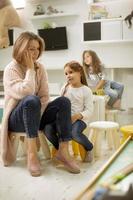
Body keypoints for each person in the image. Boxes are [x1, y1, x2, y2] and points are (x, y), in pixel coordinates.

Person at [0, 31, 80, 176]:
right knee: (31, 99)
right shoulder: (11, 69)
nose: (35, 52)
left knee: (63, 101)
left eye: (37, 49)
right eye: (31, 49)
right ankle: (32, 154)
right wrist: (30, 69)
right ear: (21, 48)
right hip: (16, 119)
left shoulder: (40, 68)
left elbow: (44, 96)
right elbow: (26, 92)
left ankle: (63, 151)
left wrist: (38, 114)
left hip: (36, 115)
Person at [45, 61, 94, 162]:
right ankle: (61, 150)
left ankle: (89, 147)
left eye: (71, 72)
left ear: (80, 72)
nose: (68, 75)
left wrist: (76, 116)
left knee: (74, 133)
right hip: (64, 119)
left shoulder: (86, 90)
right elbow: (60, 104)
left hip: (80, 120)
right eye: (66, 74)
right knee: (47, 129)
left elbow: (89, 111)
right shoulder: (65, 87)